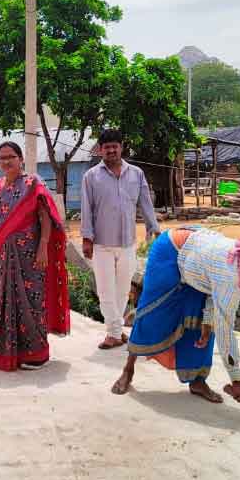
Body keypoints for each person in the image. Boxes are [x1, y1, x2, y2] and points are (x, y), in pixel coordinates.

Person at [111, 228, 240, 404]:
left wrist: (206, 323)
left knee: (201, 323)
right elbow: (225, 330)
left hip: (199, 260)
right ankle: (128, 369)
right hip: (171, 249)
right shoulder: (231, 276)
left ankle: (197, 381)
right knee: (152, 313)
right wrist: (237, 380)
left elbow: (213, 292)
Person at [0, 141, 70, 371]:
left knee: (31, 302)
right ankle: (7, 352)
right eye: (2, 157)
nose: (6, 161)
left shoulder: (32, 183)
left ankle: (36, 354)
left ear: (20, 159)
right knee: (3, 303)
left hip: (29, 256)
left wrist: (43, 247)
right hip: (2, 257)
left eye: (11, 156)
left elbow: (45, 217)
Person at [80, 129, 160, 350]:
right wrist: (87, 238)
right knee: (105, 290)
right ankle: (114, 333)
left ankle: (115, 331)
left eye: (115, 146)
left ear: (122, 147)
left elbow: (145, 202)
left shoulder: (136, 174)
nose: (111, 150)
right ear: (100, 150)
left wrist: (154, 227)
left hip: (128, 242)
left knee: (123, 290)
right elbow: (87, 209)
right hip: (101, 243)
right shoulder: (91, 176)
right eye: (107, 147)